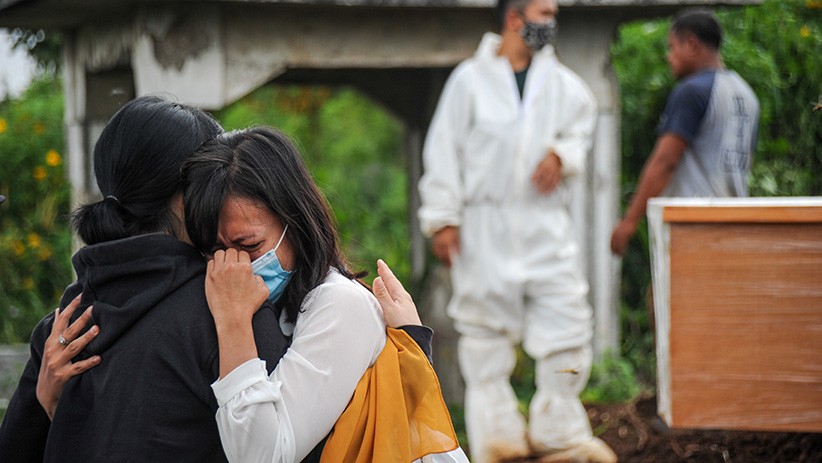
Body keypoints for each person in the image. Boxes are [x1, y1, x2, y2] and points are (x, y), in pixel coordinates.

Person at [0, 96, 290, 462]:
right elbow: (293, 444)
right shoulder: (230, 315)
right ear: (190, 192)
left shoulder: (63, 327)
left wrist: (41, 405)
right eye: (217, 175)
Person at [181, 126, 468, 463]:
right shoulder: (280, 310)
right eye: (217, 251)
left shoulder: (339, 304)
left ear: (295, 222)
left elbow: (261, 456)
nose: (234, 267)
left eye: (249, 246)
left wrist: (233, 322)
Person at [416, 0, 616, 462]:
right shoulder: (469, 81)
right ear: (514, 19)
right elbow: (443, 150)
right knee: (484, 333)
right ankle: (498, 442)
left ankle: (559, 434)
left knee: (567, 323)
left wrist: (562, 154)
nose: (552, 22)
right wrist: (443, 219)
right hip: (483, 224)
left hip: (545, 222)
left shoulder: (566, 86)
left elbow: (581, 130)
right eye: (544, 12)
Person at [610, 8, 760, 256]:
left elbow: (665, 161)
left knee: (670, 294)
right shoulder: (746, 93)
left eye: (672, 47)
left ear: (691, 43)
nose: (669, 57)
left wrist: (629, 222)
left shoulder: (693, 90)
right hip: (735, 222)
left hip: (695, 223)